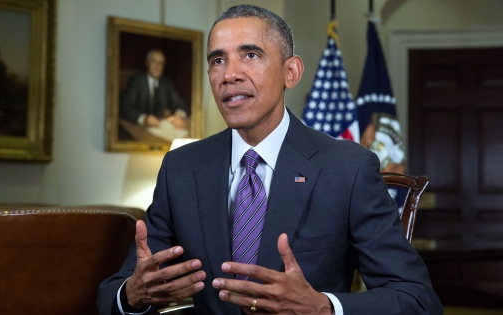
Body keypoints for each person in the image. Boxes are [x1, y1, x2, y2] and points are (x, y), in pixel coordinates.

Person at [99, 5, 442, 315]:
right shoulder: (181, 168)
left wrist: (323, 308)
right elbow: (111, 295)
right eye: (217, 60)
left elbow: (417, 299)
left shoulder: (348, 168)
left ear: (290, 72)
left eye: (250, 55)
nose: (229, 74)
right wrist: (132, 293)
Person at [119, 49, 188, 130]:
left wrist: (178, 116)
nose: (157, 66)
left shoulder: (166, 83)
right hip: (139, 128)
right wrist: (144, 118)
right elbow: (125, 107)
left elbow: (180, 103)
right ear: (147, 62)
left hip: (160, 127)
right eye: (153, 61)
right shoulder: (136, 81)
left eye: (160, 63)